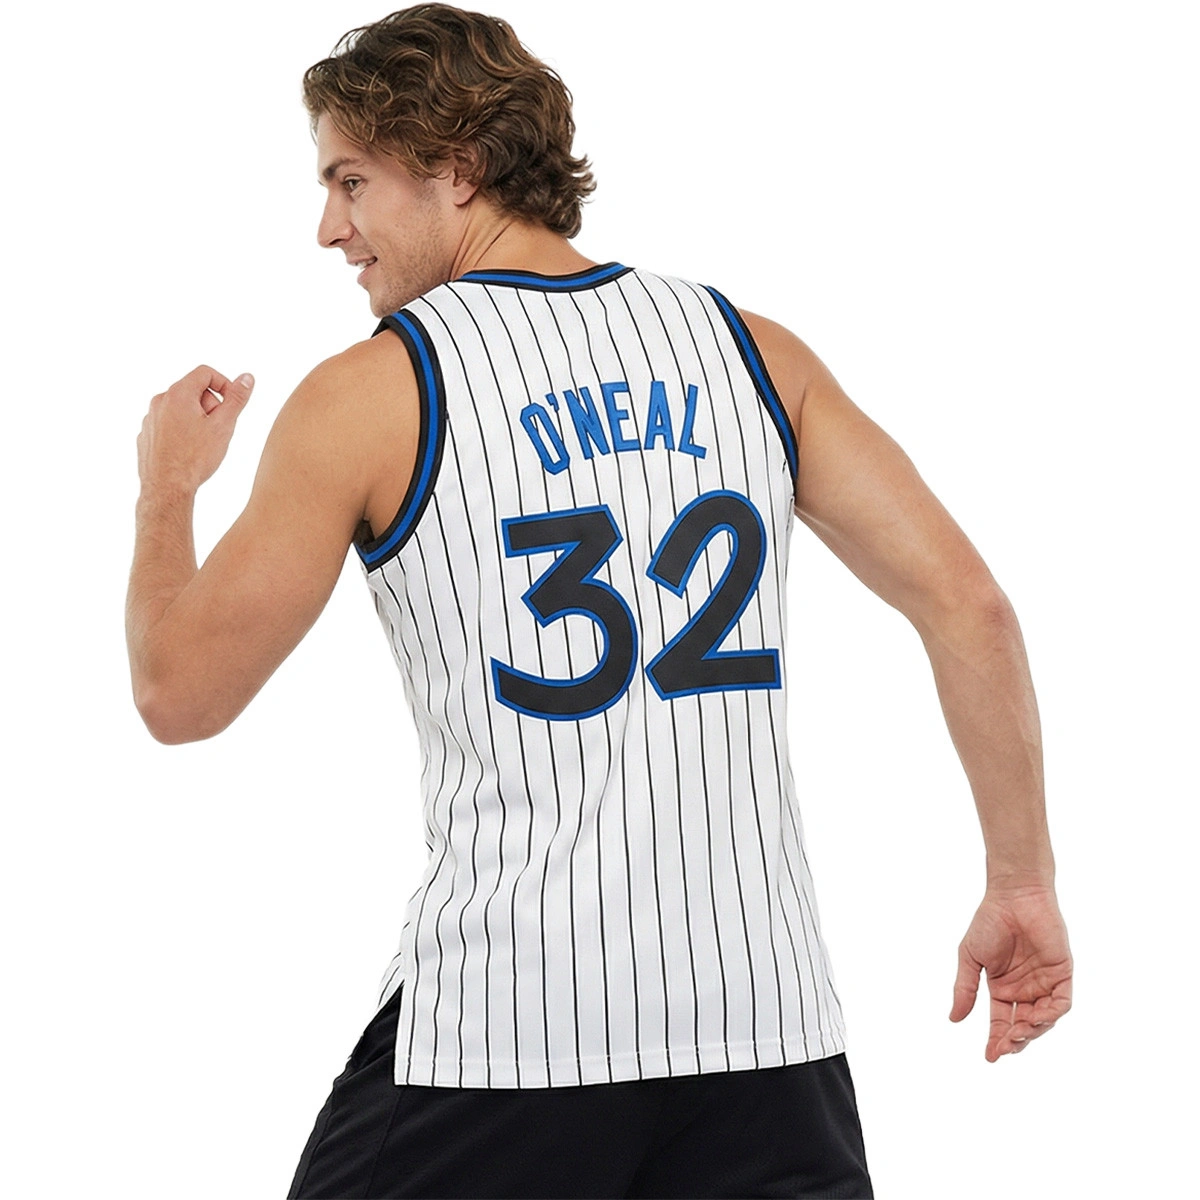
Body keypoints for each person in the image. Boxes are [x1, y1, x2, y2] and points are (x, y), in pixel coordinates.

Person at [125, 5, 1072, 1197]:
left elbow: (178, 692)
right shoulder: (752, 352)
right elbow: (972, 608)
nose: (330, 226)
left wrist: (167, 490)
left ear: (456, 167)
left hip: (504, 1035)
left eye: (350, 180)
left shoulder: (375, 392)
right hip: (764, 1040)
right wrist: (1022, 881)